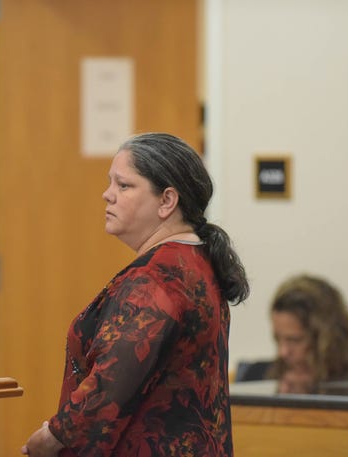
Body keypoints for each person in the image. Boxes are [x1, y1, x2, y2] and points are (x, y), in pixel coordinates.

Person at [22, 132, 249, 457]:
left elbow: (112, 385)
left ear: (167, 201)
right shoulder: (196, 263)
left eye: (123, 186)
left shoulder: (155, 278)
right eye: (110, 183)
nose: (107, 195)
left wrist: (51, 438)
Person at [266, 274, 348, 394]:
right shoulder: (259, 377)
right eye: (277, 339)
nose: (283, 352)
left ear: (328, 339)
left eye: (295, 340)